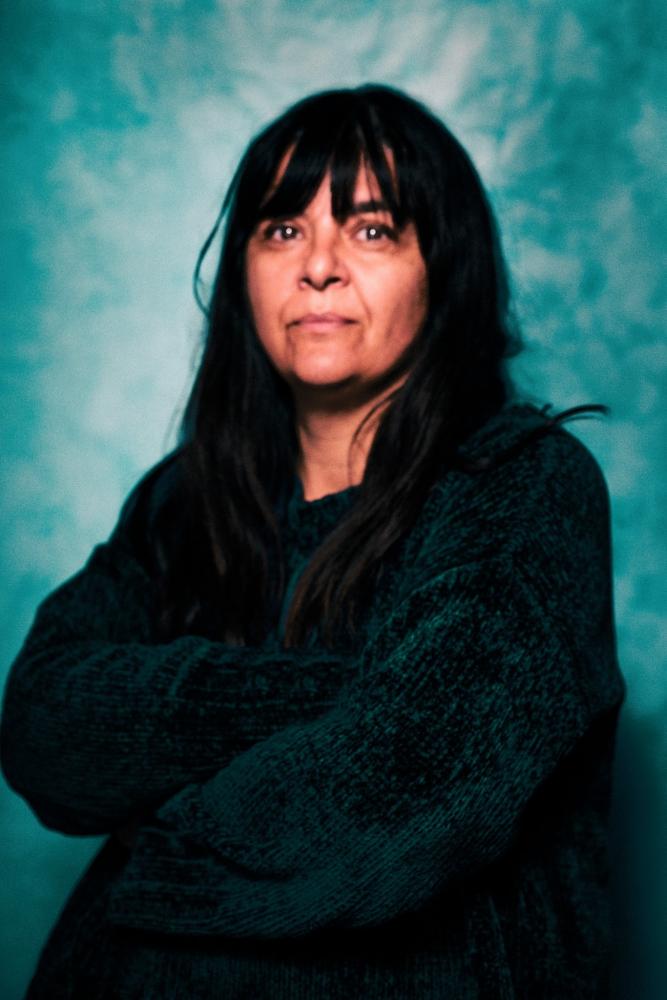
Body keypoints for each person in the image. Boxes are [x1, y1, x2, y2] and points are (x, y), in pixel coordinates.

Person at [0, 84, 625, 998]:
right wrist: (351, 694)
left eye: (371, 230)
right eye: (282, 229)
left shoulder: (523, 486)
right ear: (243, 270)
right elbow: (41, 725)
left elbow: (397, 790)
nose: (318, 267)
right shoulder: (181, 500)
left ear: (442, 269)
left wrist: (151, 828)